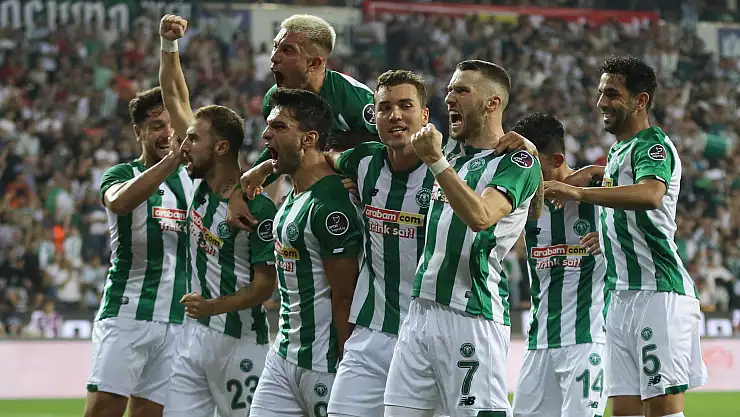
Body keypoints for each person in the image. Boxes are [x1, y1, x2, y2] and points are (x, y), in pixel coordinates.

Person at [543, 56, 707, 417]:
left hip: (657, 294)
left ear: (640, 100)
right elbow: (625, 200)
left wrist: (579, 192)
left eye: (612, 94)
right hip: (619, 300)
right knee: (624, 411)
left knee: (662, 411)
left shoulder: (652, 145)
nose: (601, 102)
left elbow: (650, 194)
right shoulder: (618, 152)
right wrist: (609, 234)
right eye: (601, 93)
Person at [383, 60, 541, 417]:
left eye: (462, 91)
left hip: (471, 314)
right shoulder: (453, 156)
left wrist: (436, 162)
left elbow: (481, 217)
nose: (449, 98)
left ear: (493, 103)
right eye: (450, 90)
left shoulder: (516, 162)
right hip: (419, 312)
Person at [157, 15, 278, 417]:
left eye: (193, 139)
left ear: (221, 147)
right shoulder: (199, 183)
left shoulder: (258, 207)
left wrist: (212, 306)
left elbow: (264, 287)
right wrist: (169, 45)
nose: (183, 145)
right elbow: (174, 97)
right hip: (192, 337)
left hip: (240, 343)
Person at [243, 88, 365, 417]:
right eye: (268, 126)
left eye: (279, 127)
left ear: (309, 139)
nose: (266, 134)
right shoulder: (293, 195)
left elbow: (345, 295)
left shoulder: (330, 204)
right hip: (283, 354)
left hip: (324, 364)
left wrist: (347, 368)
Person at [84, 86, 193, 417]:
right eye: (157, 126)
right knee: (103, 412)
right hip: (127, 313)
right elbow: (119, 202)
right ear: (138, 132)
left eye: (172, 125)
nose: (167, 133)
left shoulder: (192, 182)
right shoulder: (120, 174)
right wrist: (173, 159)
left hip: (176, 321)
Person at [228, 14, 377, 230]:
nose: (274, 57)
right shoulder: (274, 100)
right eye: (275, 47)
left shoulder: (354, 98)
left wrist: (361, 178)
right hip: (315, 196)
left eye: (287, 50)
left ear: (314, 63)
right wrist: (240, 192)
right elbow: (279, 148)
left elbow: (387, 148)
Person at [509, 113, 607, 417]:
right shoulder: (524, 202)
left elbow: (654, 189)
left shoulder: (600, 196)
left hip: (586, 340)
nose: (522, 172)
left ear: (557, 159)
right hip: (538, 343)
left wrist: (594, 172)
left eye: (531, 164)